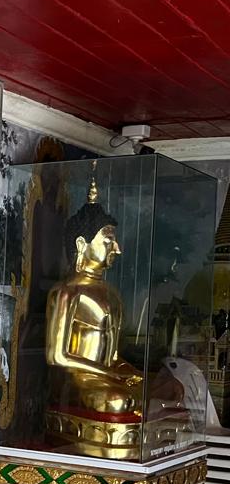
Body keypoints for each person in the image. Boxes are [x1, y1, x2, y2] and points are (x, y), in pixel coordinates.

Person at [45, 177, 144, 415]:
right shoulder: (68, 292)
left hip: (106, 377)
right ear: (82, 244)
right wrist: (109, 373)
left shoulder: (112, 294)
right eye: (108, 240)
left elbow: (113, 355)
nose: (117, 248)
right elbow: (56, 356)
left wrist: (127, 371)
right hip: (78, 380)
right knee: (118, 401)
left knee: (147, 392)